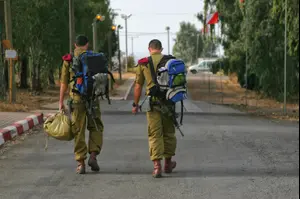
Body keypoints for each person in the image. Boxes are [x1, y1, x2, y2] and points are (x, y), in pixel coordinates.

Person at [59, 35, 104, 174]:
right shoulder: (95, 57)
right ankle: (93, 155)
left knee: (78, 130)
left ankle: (80, 163)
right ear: (87, 45)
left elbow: (64, 83)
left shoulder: (69, 60)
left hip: (77, 99)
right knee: (96, 126)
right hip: (93, 98)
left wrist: (61, 101)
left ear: (75, 45)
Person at [132, 39, 177, 178]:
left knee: (154, 134)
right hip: (169, 102)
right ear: (161, 49)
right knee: (169, 133)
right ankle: (168, 164)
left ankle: (157, 166)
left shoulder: (143, 63)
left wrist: (135, 104)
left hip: (152, 104)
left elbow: (138, 85)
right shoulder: (171, 61)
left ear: (149, 48)